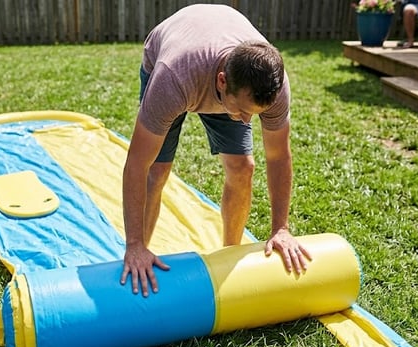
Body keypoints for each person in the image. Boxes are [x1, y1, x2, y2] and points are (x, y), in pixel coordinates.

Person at [120, 4, 311, 298]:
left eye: (255, 113)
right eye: (245, 111)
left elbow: (278, 156)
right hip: (173, 58)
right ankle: (140, 253)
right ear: (222, 81)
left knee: (242, 168)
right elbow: (136, 164)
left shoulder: (272, 86)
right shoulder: (173, 77)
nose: (248, 121)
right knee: (156, 171)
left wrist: (280, 228)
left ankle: (229, 255)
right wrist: (134, 245)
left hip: (224, 77)